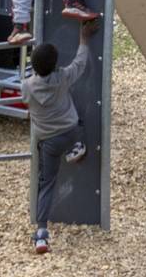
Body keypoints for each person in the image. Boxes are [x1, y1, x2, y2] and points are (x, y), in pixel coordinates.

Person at [26, 18, 99, 253]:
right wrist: (84, 39)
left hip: (47, 142)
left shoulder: (27, 86)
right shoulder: (63, 78)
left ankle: (41, 233)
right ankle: (76, 148)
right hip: (69, 132)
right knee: (79, 116)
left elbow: (27, 101)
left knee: (46, 184)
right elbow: (79, 63)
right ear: (55, 65)